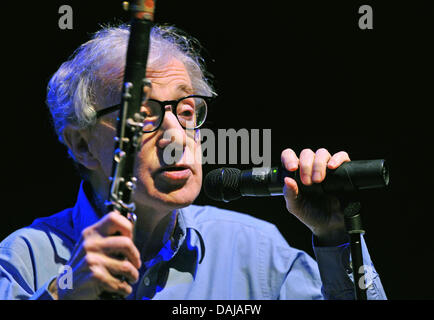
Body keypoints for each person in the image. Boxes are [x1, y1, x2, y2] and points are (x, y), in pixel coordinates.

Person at [0, 24, 386, 300]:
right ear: (82, 145)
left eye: (186, 111)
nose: (174, 135)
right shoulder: (25, 259)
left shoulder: (255, 251)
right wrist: (63, 293)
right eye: (143, 114)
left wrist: (336, 237)